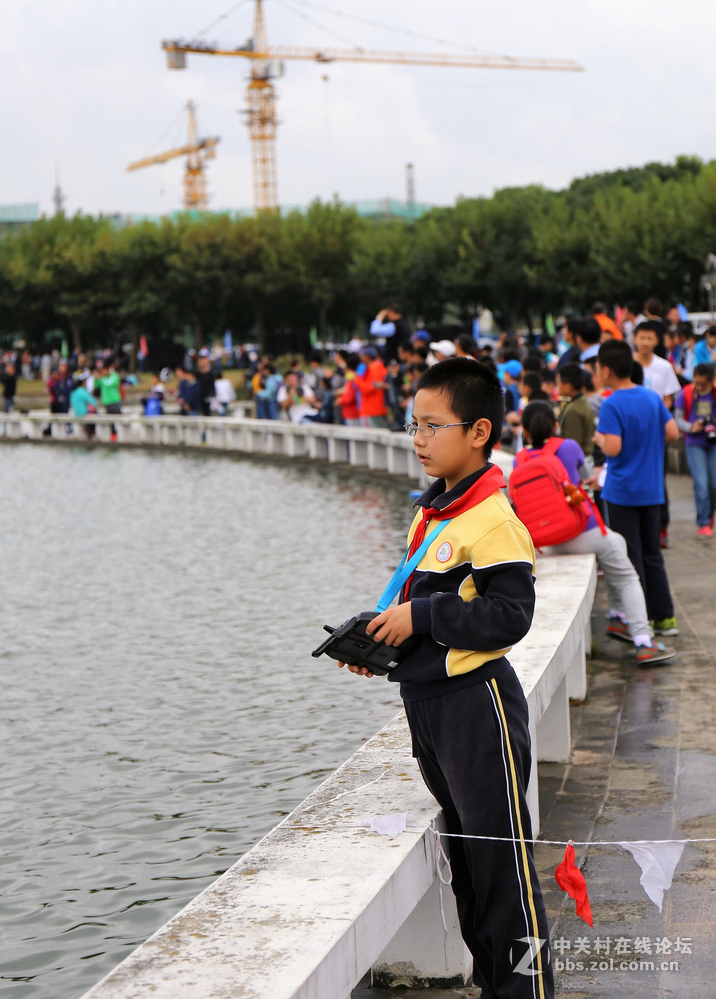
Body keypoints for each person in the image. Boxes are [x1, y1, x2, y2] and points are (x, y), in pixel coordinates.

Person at [341, 357, 553, 998]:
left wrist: (423, 615)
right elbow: (429, 612)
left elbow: (511, 615)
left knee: (502, 872)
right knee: (467, 868)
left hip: (476, 706)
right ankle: (496, 987)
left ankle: (528, 990)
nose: (418, 439)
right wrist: (386, 644)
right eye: (414, 424)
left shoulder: (492, 518)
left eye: (434, 426)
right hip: (429, 702)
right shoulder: (436, 511)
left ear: (480, 431)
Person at [519, 402, 672, 664]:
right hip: (580, 532)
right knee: (623, 568)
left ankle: (618, 617)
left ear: (524, 432)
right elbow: (587, 480)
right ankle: (642, 638)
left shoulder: (520, 459)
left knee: (615, 546)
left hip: (545, 542)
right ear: (556, 425)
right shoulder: (568, 446)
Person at [595, 340, 680, 637]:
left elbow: (614, 448)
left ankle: (637, 621)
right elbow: (672, 433)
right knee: (652, 554)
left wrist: (600, 439)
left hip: (622, 493)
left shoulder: (612, 403)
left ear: (606, 370)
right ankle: (665, 618)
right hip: (652, 489)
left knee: (630, 558)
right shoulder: (652, 398)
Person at [633, 320, 682, 547]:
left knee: (657, 480)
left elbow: (668, 399)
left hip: (655, 434)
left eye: (649, 338)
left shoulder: (663, 367)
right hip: (631, 434)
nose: (645, 342)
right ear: (634, 339)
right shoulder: (628, 364)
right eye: (641, 337)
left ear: (657, 341)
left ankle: (661, 528)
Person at [674, 363, 716, 537]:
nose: (698, 387)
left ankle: (709, 513)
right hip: (694, 441)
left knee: (714, 484)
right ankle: (703, 522)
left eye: (702, 384)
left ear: (711, 381)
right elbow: (676, 418)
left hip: (713, 442)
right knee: (701, 484)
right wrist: (691, 427)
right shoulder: (687, 393)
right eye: (696, 382)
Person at [557, 363, 595, 456]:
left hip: (578, 462)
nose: (558, 387)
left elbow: (572, 445)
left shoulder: (574, 410)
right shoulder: (581, 402)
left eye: (559, 384)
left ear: (568, 387)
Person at [353, 347, 388, 428]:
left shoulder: (375, 368)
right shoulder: (373, 368)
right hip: (373, 410)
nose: (360, 358)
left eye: (362, 355)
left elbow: (367, 389)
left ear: (367, 356)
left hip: (373, 410)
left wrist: (356, 379)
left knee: (375, 436)